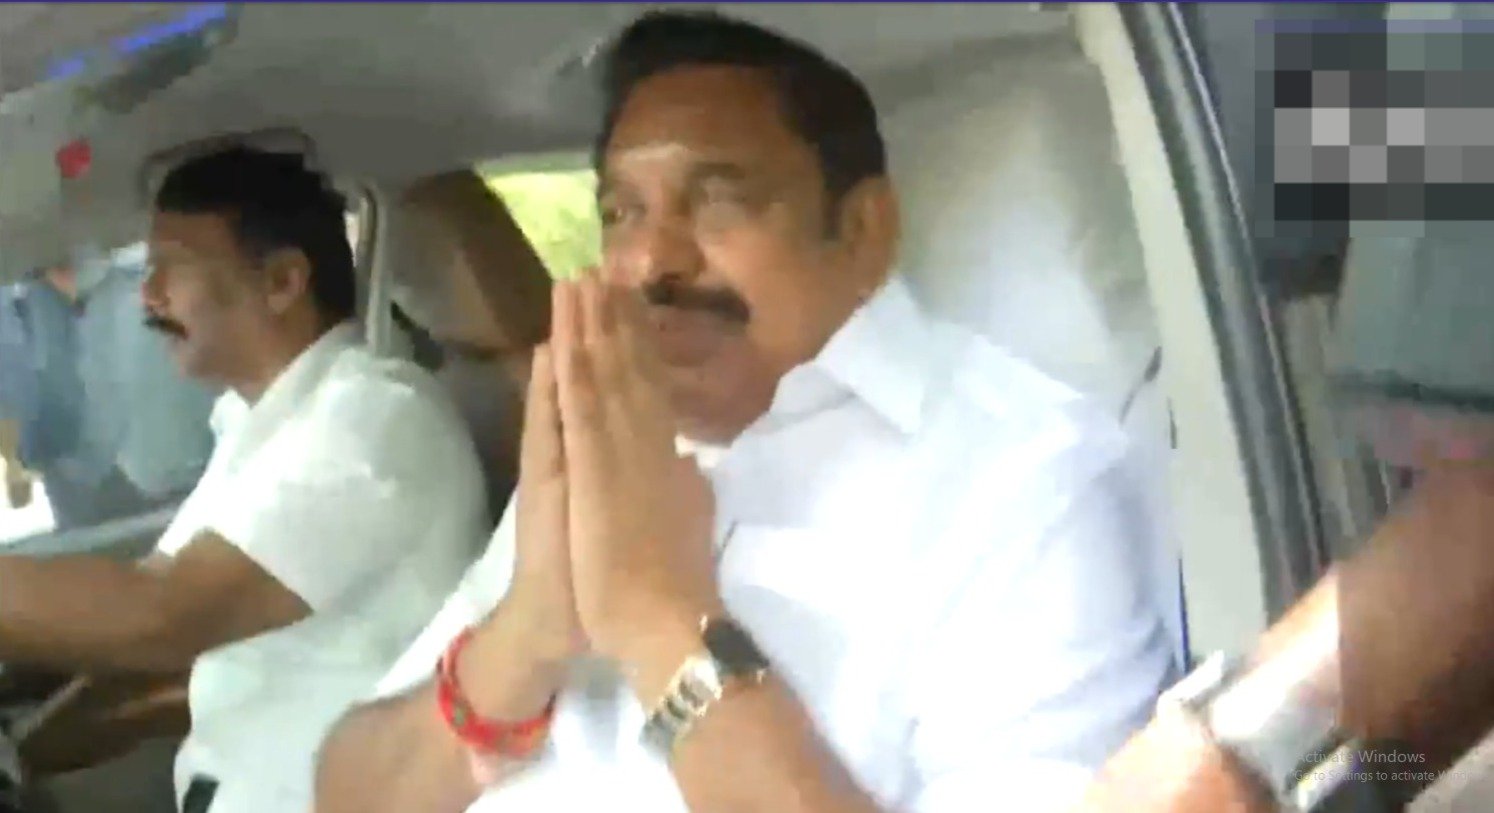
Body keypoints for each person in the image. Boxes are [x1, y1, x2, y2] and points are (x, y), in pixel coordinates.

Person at [316, 11, 1180, 813]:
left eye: (718, 200)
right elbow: (345, 791)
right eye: (621, 213)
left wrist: (664, 619)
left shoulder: (1026, 484)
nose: (652, 260)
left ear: (863, 230)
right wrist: (527, 633)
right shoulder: (609, 435)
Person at [0, 146, 488, 813]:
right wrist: (26, 750)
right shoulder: (260, 419)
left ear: (283, 281)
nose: (147, 295)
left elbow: (164, 614)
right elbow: (155, 614)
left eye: (171, 268)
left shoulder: (372, 419)